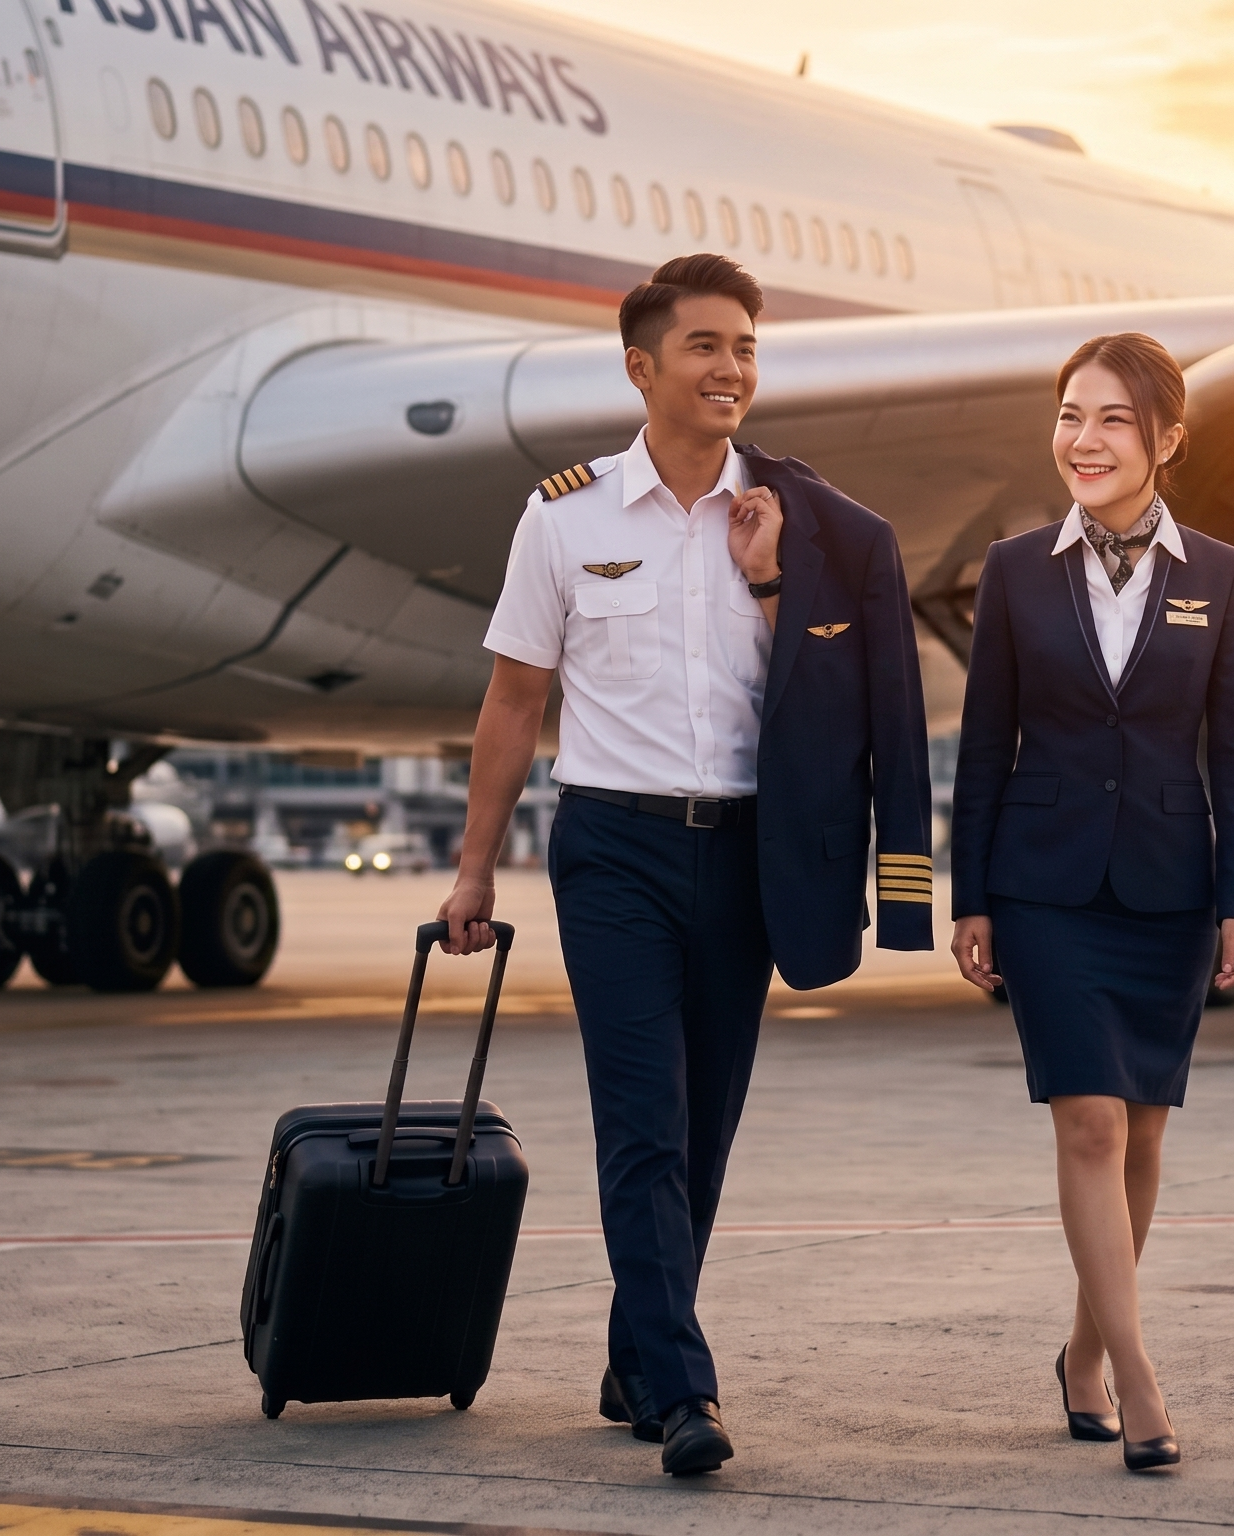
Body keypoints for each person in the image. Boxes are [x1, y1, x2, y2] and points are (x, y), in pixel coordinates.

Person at [438, 253, 934, 1477]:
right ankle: (683, 1391)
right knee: (643, 1122)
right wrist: (473, 869)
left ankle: (632, 1357)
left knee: (704, 1128)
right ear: (642, 369)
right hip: (614, 847)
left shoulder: (803, 524)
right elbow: (512, 702)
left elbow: (834, 704)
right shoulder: (564, 516)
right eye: (706, 346)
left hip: (749, 851)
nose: (732, 369)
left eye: (747, 349)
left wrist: (770, 586)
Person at [947, 333, 1234, 1474]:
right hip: (1044, 887)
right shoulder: (1016, 567)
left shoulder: (1221, 575)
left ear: (1167, 441)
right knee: (1086, 1121)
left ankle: (1084, 1351)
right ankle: (1139, 1382)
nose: (1082, 440)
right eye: (1070, 415)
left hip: (1169, 891)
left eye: (1113, 421)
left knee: (1140, 1135)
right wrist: (969, 893)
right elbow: (985, 744)